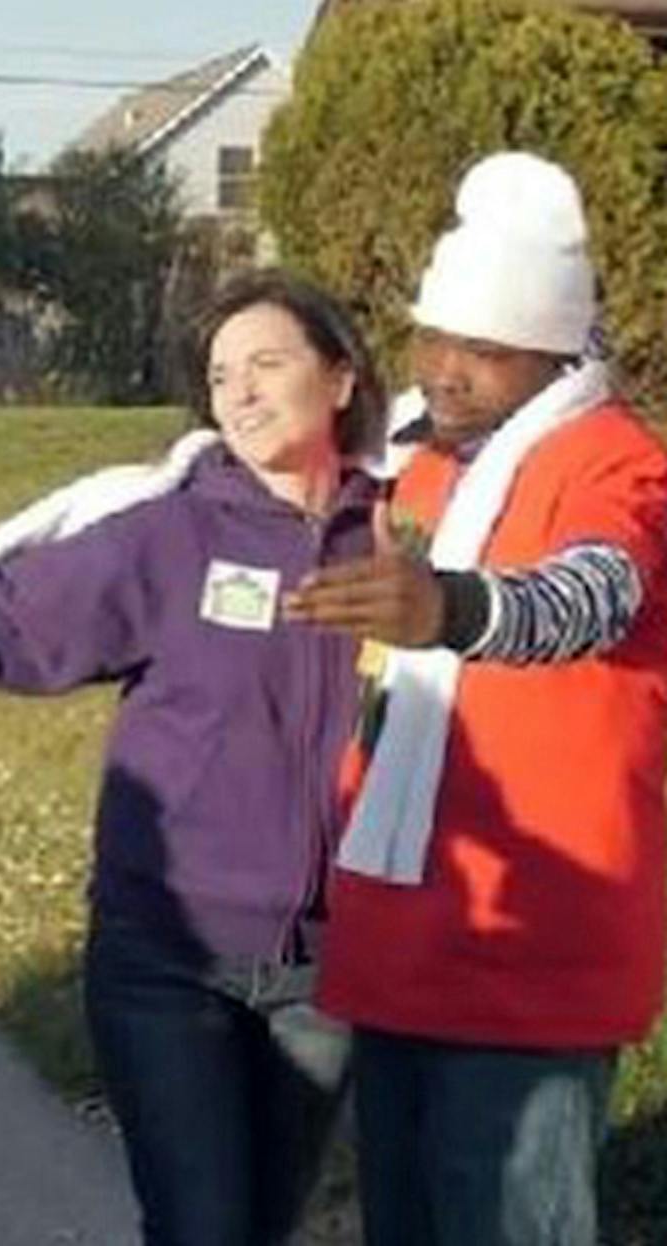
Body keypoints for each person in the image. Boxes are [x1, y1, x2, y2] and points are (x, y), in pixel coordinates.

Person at [0, 269, 384, 1246]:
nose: (242, 393)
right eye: (221, 376)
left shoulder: (402, 537)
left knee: (260, 1227)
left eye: (268, 363)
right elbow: (0, 615)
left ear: (341, 379)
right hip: (170, 957)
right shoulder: (170, 534)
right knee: (201, 1228)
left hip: (328, 966)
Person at [286, 151, 667, 1246]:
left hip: (531, 963)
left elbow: (591, 594)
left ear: (554, 353)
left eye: (484, 349)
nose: (446, 368)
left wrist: (449, 609)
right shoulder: (420, 467)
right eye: (434, 336)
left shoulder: (615, 463)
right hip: (400, 941)